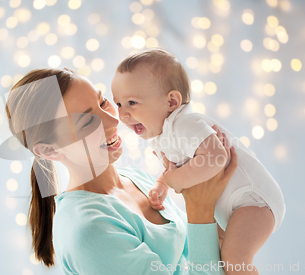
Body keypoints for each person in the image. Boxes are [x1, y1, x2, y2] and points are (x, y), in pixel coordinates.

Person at [5, 67, 238, 274]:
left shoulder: (134, 179)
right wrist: (200, 208)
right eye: (87, 122)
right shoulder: (90, 233)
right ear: (49, 150)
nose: (113, 121)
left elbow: (195, 253)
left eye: (103, 101)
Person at [111, 48, 286, 274]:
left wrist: (175, 179)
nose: (123, 114)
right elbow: (181, 165)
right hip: (233, 205)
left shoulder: (186, 124)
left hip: (254, 201)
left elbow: (215, 157)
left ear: (172, 101)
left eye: (132, 103)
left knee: (235, 259)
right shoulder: (164, 134)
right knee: (217, 255)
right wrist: (163, 183)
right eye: (118, 104)